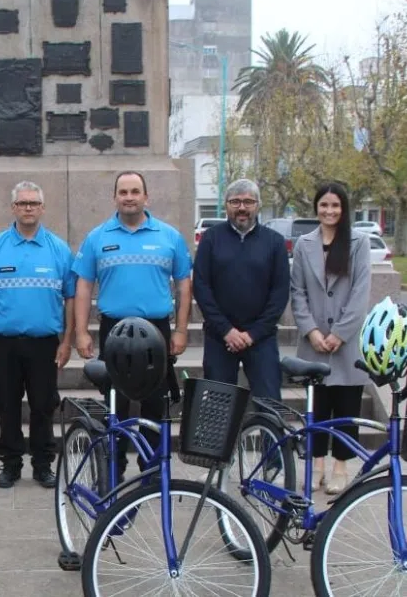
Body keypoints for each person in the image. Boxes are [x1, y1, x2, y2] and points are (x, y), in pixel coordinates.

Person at [72, 171, 192, 479]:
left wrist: (180, 329)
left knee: (155, 403)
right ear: (115, 198)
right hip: (115, 331)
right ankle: (114, 467)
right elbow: (84, 285)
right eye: (123, 192)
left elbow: (183, 283)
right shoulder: (97, 237)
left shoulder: (169, 236)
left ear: (146, 197)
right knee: (116, 402)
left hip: (157, 330)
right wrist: (82, 331)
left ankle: (152, 468)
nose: (129, 197)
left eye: (135, 191)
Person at [0, 181, 75, 489]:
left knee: (44, 404)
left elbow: (70, 298)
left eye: (33, 203)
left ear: (42, 208)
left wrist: (66, 342)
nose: (28, 208)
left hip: (45, 344)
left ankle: (43, 465)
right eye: (22, 203)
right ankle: (10, 465)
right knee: (6, 403)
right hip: (4, 343)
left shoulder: (59, 249)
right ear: (13, 208)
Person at [290, 181, 371, 495]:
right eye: (324, 205)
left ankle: (340, 467)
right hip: (313, 343)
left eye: (335, 206)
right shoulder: (304, 244)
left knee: (346, 407)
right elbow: (297, 292)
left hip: (346, 343)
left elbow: (360, 292)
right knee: (317, 406)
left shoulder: (358, 243)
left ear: (344, 208)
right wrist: (311, 330)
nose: (329, 211)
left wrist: (339, 334)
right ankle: (317, 464)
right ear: (316, 208)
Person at [193, 179, 290, 400]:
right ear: (226, 205)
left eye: (248, 201)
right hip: (220, 337)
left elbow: (280, 292)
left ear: (258, 205)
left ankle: (268, 435)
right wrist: (227, 330)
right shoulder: (210, 239)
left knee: (269, 404)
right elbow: (201, 287)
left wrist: (253, 334)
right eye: (235, 202)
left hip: (261, 338)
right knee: (217, 410)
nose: (242, 208)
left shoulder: (274, 242)